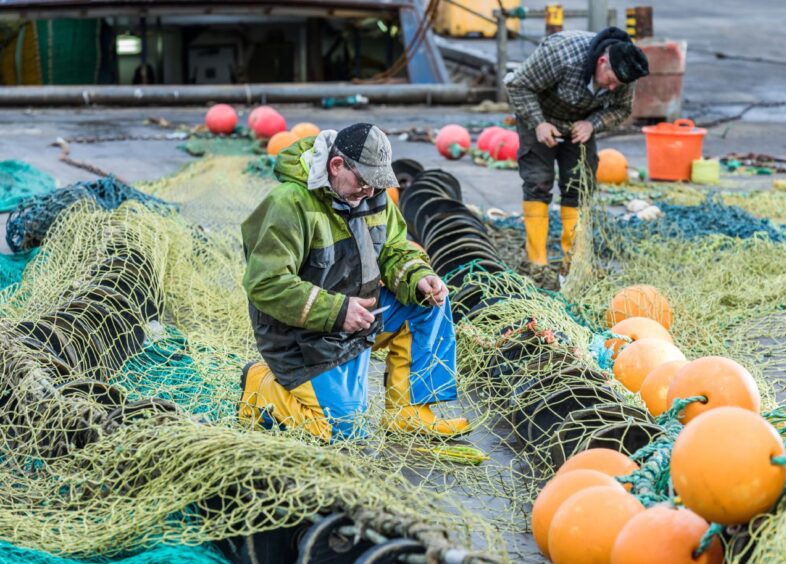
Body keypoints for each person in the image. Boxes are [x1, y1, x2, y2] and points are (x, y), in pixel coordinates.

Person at [238, 123, 469, 442]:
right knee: (345, 431)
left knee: (430, 305)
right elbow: (266, 284)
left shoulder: (372, 197)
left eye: (377, 184)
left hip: (360, 316)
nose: (370, 193)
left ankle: (408, 412)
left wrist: (420, 277)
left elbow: (395, 249)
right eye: (364, 182)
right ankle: (259, 387)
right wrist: (336, 310)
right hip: (302, 333)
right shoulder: (289, 203)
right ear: (336, 166)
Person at [505, 27, 649, 268]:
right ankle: (536, 262)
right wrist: (538, 122)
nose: (613, 88)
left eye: (618, 85)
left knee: (579, 182)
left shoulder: (625, 72)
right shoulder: (562, 53)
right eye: (611, 81)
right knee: (538, 180)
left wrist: (592, 124)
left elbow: (622, 109)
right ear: (602, 62)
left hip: (580, 125)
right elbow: (518, 86)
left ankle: (573, 261)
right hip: (540, 114)